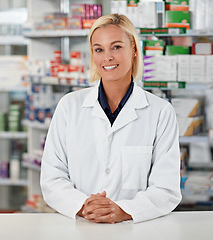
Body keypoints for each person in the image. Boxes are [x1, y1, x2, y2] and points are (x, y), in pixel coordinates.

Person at [40, 13, 182, 224]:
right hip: (81, 228)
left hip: (135, 229)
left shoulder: (160, 112)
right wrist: (84, 206)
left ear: (134, 49)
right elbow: (52, 177)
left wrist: (123, 210)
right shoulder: (70, 106)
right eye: (99, 49)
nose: (107, 57)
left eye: (116, 47)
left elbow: (166, 188)